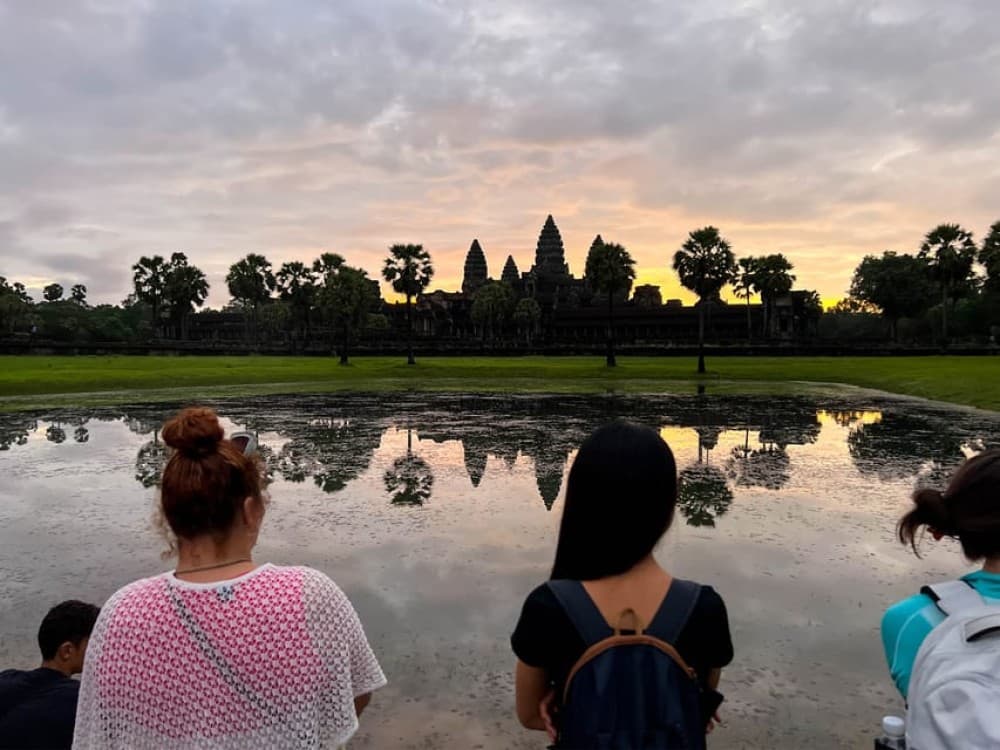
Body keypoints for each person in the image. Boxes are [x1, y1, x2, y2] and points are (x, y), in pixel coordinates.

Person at [73, 407, 386, 749]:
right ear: (251, 511)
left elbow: (98, 733)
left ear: (169, 516)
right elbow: (356, 693)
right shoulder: (308, 593)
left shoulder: (122, 613)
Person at [511, 422, 733, 748]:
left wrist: (567, 701)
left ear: (580, 503)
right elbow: (699, 710)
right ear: (668, 507)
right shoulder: (704, 608)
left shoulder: (549, 607)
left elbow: (530, 715)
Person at [0, 600, 100, 750]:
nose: (100, 649)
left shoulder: (6, 679)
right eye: (95, 642)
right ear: (67, 651)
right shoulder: (82, 701)